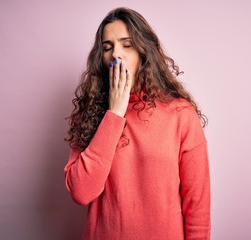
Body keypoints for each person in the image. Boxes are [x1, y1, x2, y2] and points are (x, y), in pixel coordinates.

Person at [64, 7, 210, 240]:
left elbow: (198, 207)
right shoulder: (92, 112)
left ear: (144, 51)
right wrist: (115, 113)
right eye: (108, 47)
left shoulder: (180, 114)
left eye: (127, 44)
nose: (116, 55)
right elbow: (81, 192)